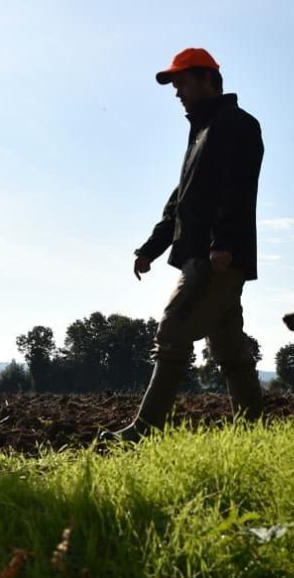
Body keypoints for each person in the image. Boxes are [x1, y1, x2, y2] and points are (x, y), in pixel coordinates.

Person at [106, 48, 265, 442]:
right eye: (174, 84)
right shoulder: (202, 131)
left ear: (209, 79)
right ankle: (255, 430)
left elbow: (238, 187)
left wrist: (224, 242)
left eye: (183, 82)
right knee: (229, 349)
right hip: (204, 254)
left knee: (173, 330)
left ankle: (144, 430)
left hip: (216, 258)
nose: (177, 92)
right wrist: (151, 248)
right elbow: (181, 200)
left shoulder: (235, 125)